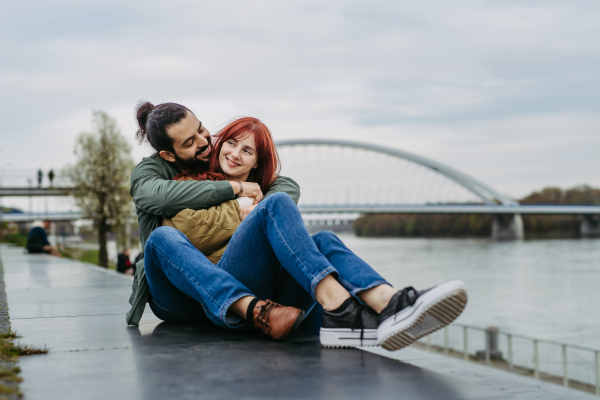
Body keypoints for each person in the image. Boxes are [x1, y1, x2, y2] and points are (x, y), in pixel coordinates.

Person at [128, 103, 468, 350]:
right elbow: (174, 216)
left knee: (323, 239)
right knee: (162, 237)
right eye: (230, 143)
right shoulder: (178, 181)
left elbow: (283, 190)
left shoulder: (266, 189)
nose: (207, 143)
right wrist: (239, 201)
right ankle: (340, 309)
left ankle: (388, 302)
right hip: (192, 297)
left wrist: (259, 203)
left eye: (204, 131)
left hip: (250, 281)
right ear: (169, 154)